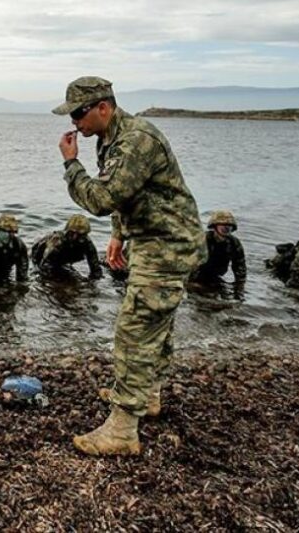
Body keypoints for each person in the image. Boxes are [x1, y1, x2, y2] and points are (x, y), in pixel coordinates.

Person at [54, 76, 206, 456]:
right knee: (155, 325)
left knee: (134, 331)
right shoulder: (111, 137)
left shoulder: (136, 140)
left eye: (79, 113)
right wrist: (119, 235)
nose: (75, 122)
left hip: (167, 246)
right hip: (155, 240)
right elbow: (128, 195)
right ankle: (147, 394)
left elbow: (102, 197)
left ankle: (122, 429)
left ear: (103, 107)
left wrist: (71, 165)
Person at [30, 215, 103, 279]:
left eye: (80, 235)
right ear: (68, 231)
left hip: (64, 260)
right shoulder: (57, 242)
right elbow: (44, 265)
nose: (75, 237)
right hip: (42, 256)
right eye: (72, 233)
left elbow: (95, 268)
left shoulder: (87, 243)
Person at [191, 210, 247, 285]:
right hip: (196, 276)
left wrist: (240, 287)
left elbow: (240, 267)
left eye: (229, 226)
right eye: (223, 225)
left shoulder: (234, 243)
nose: (226, 228)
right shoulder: (202, 240)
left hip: (215, 276)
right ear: (215, 226)